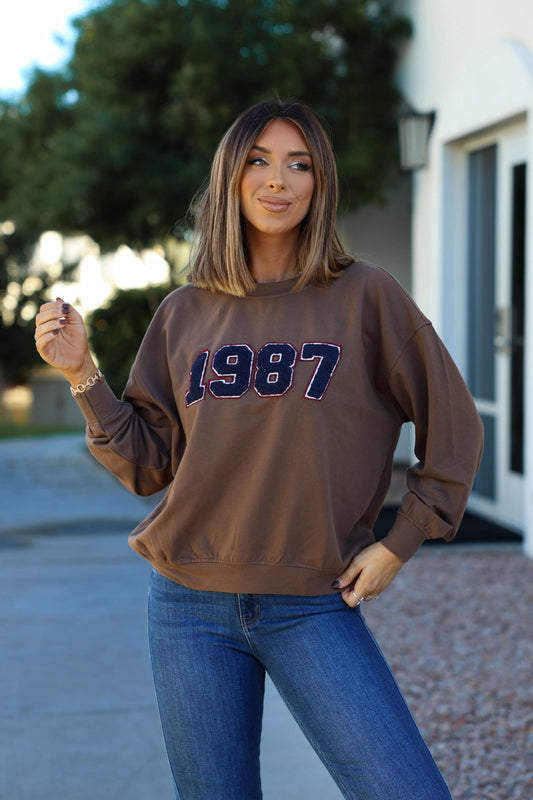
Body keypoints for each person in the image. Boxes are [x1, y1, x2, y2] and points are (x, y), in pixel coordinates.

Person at [35, 99, 483, 800]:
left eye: (299, 164)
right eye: (260, 161)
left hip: (312, 600)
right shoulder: (184, 311)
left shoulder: (366, 297)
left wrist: (402, 539)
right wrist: (80, 374)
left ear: (319, 182)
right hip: (186, 604)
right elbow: (148, 463)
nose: (280, 181)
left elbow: (454, 428)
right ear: (230, 178)